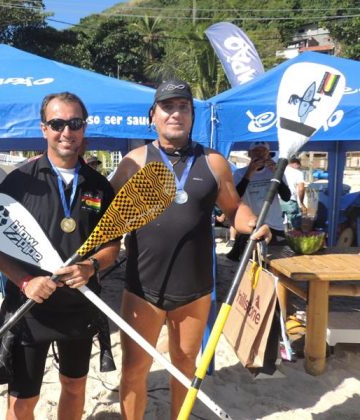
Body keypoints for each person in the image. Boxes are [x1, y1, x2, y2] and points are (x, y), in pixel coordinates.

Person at [110, 77, 271, 419]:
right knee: (134, 369)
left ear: (192, 115)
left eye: (183, 107)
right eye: (168, 107)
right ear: (153, 114)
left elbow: (234, 209)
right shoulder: (133, 162)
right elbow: (102, 214)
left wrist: (252, 223)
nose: (176, 114)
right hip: (142, 287)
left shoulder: (213, 162)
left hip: (195, 289)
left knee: (185, 366)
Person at [0, 92, 120, 420]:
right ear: (44, 128)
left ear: (83, 128)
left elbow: (112, 247)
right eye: (57, 123)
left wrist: (91, 266)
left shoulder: (99, 186)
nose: (66, 131)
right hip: (30, 309)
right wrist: (25, 280)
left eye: (74, 123)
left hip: (80, 305)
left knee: (74, 387)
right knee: (21, 402)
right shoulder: (19, 182)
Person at [227, 141, 291, 261]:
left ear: (268, 154)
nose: (260, 154)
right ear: (249, 154)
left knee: (277, 260)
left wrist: (276, 174)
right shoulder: (239, 173)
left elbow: (286, 197)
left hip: (275, 225)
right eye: (256, 151)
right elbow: (235, 197)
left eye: (263, 151)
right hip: (252, 224)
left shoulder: (277, 171)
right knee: (250, 262)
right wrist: (249, 173)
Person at [281, 156, 307, 230]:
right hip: (290, 200)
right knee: (295, 227)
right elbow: (301, 189)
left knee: (279, 225)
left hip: (276, 201)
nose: (299, 168)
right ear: (295, 163)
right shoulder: (297, 173)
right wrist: (301, 203)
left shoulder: (278, 170)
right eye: (299, 166)